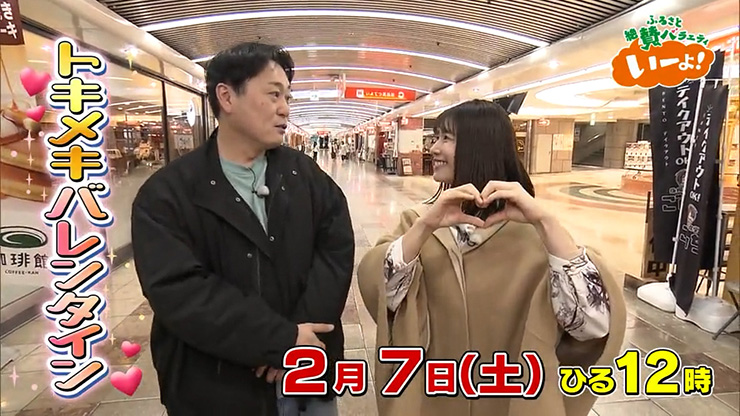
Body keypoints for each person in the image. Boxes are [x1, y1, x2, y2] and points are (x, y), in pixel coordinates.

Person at [357, 100, 626, 416]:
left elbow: (591, 326)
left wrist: (546, 222)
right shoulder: (418, 224)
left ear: (479, 146)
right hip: (436, 393)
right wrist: (426, 225)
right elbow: (381, 293)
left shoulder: (536, 239)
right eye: (436, 137)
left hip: (512, 394)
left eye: (446, 138)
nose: (433, 148)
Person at [131, 42, 355, 416]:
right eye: (273, 95)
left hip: (306, 377)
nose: (285, 108)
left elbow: (335, 252)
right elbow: (180, 291)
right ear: (227, 97)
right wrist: (280, 340)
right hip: (218, 389)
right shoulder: (168, 194)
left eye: (287, 97)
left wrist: (300, 340)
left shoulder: (305, 176)